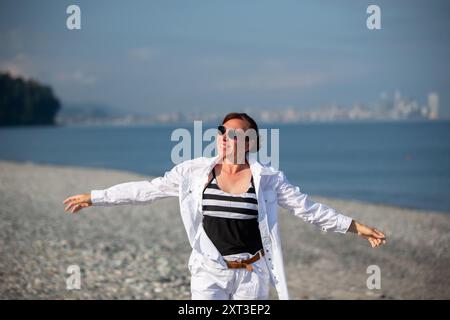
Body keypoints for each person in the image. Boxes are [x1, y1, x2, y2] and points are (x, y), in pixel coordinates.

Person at [63, 112, 387, 300]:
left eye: (232, 133)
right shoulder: (193, 172)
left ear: (249, 142)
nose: (223, 136)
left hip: (252, 275)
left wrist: (355, 226)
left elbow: (309, 209)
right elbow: (147, 190)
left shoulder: (268, 180)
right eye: (221, 131)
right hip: (209, 273)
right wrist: (96, 196)